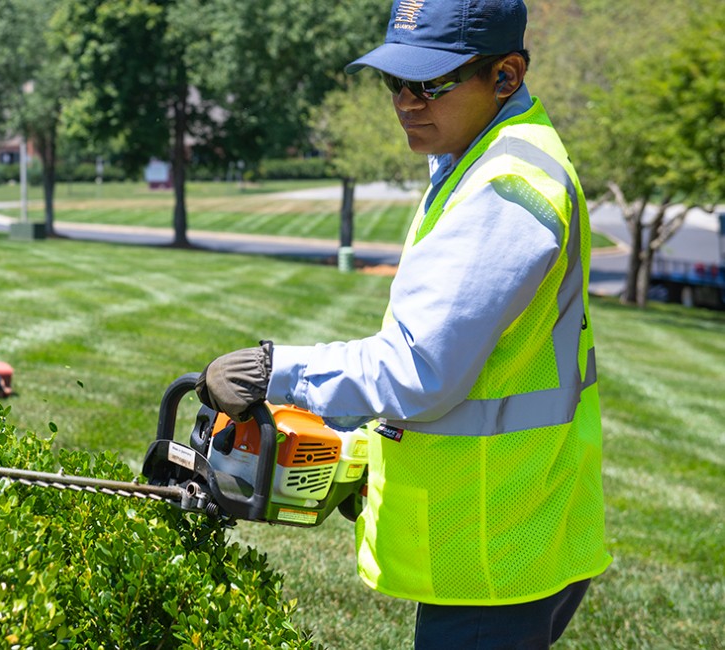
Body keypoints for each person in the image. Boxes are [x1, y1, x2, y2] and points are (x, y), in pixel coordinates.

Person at [195, 0, 611, 647]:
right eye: (396, 82)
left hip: (493, 548)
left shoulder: (506, 189)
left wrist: (278, 371)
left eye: (431, 84)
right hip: (511, 525)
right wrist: (362, 449)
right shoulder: (477, 156)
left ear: (505, 74)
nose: (408, 102)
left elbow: (420, 369)